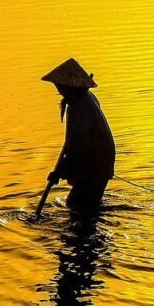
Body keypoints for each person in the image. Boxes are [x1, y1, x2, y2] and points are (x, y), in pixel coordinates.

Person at [37, 58, 115, 214]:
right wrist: (62, 169)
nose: (58, 89)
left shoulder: (80, 105)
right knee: (87, 205)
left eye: (60, 86)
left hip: (96, 162)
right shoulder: (82, 99)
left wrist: (61, 171)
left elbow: (79, 144)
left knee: (76, 204)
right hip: (99, 160)